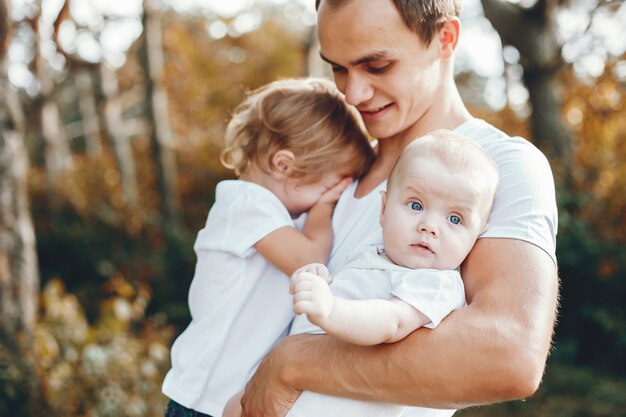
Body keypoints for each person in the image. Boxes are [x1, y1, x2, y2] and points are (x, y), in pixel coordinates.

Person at [239, 1, 559, 416]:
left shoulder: (501, 164)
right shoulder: (335, 171)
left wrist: (290, 364)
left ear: (445, 39)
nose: (353, 93)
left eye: (377, 65)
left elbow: (509, 356)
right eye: (338, 68)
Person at [161, 77, 375, 417]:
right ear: (284, 165)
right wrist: (324, 208)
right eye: (332, 184)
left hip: (226, 400)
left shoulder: (279, 216)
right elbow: (310, 259)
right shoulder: (245, 204)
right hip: (202, 400)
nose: (333, 195)